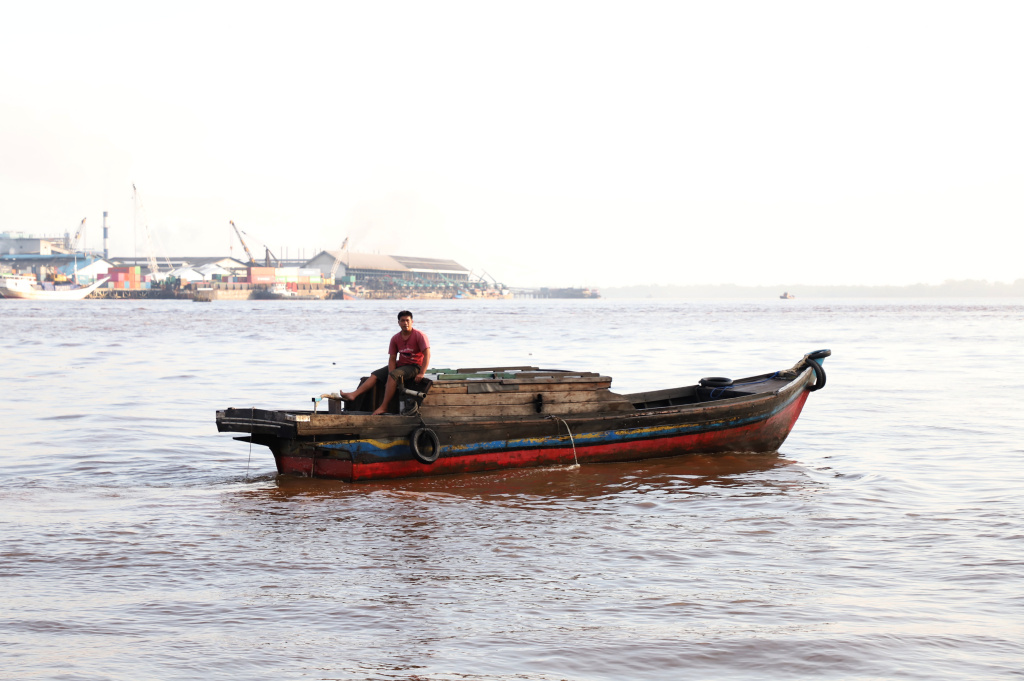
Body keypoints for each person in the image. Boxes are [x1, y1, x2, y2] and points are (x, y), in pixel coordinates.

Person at [340, 310, 431, 415]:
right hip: (401, 364)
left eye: (407, 320)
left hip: (415, 366)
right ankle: (354, 395)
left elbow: (427, 354)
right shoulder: (395, 338)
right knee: (375, 374)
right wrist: (390, 373)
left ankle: (384, 407)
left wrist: (422, 373)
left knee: (393, 375)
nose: (405, 323)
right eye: (402, 321)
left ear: (412, 322)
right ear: (398, 322)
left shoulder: (419, 335)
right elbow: (392, 358)